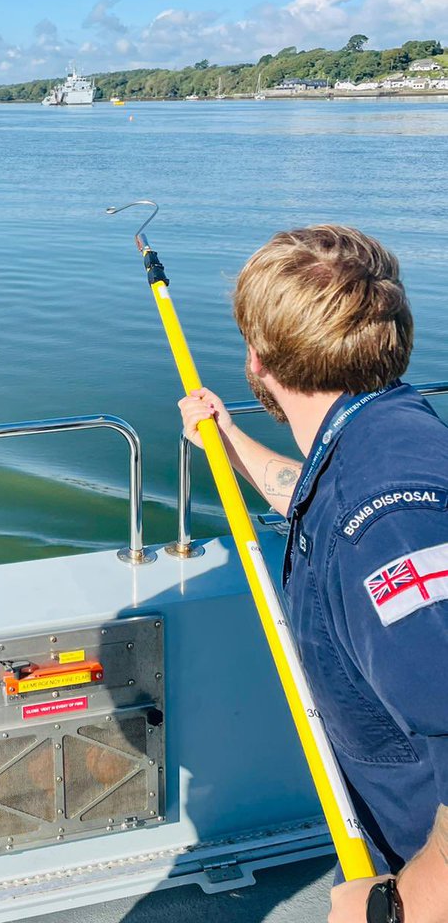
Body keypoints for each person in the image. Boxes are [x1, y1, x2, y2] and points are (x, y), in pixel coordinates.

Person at [179, 224, 448, 923]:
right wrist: (228, 440)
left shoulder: (387, 520)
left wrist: (390, 908)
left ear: (257, 360)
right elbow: (326, 500)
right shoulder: (388, 434)